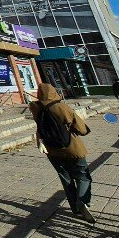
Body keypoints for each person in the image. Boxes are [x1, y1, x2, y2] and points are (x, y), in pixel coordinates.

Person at [30, 83, 95, 224]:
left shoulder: (35, 107)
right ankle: (82, 202)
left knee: (66, 180)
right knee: (83, 177)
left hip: (52, 150)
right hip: (72, 149)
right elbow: (81, 128)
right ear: (54, 92)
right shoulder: (61, 107)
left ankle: (75, 209)